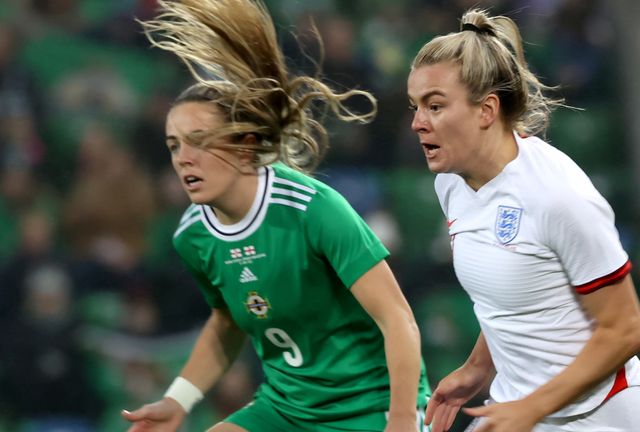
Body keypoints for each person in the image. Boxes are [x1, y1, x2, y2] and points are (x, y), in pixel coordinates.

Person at [121, 0, 430, 431]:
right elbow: (228, 321)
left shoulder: (313, 208)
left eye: (199, 141)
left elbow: (397, 319)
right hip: (286, 410)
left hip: (369, 407)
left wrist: (401, 420)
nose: (183, 159)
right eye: (174, 145)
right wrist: (179, 400)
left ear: (245, 144)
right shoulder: (192, 236)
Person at [406, 8, 640, 432]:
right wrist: (476, 369)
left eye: (434, 106)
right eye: (415, 106)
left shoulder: (558, 196)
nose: (417, 123)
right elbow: (513, 294)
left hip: (597, 416)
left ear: (486, 110)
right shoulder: (450, 183)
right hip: (515, 405)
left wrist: (532, 409)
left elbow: (626, 330)